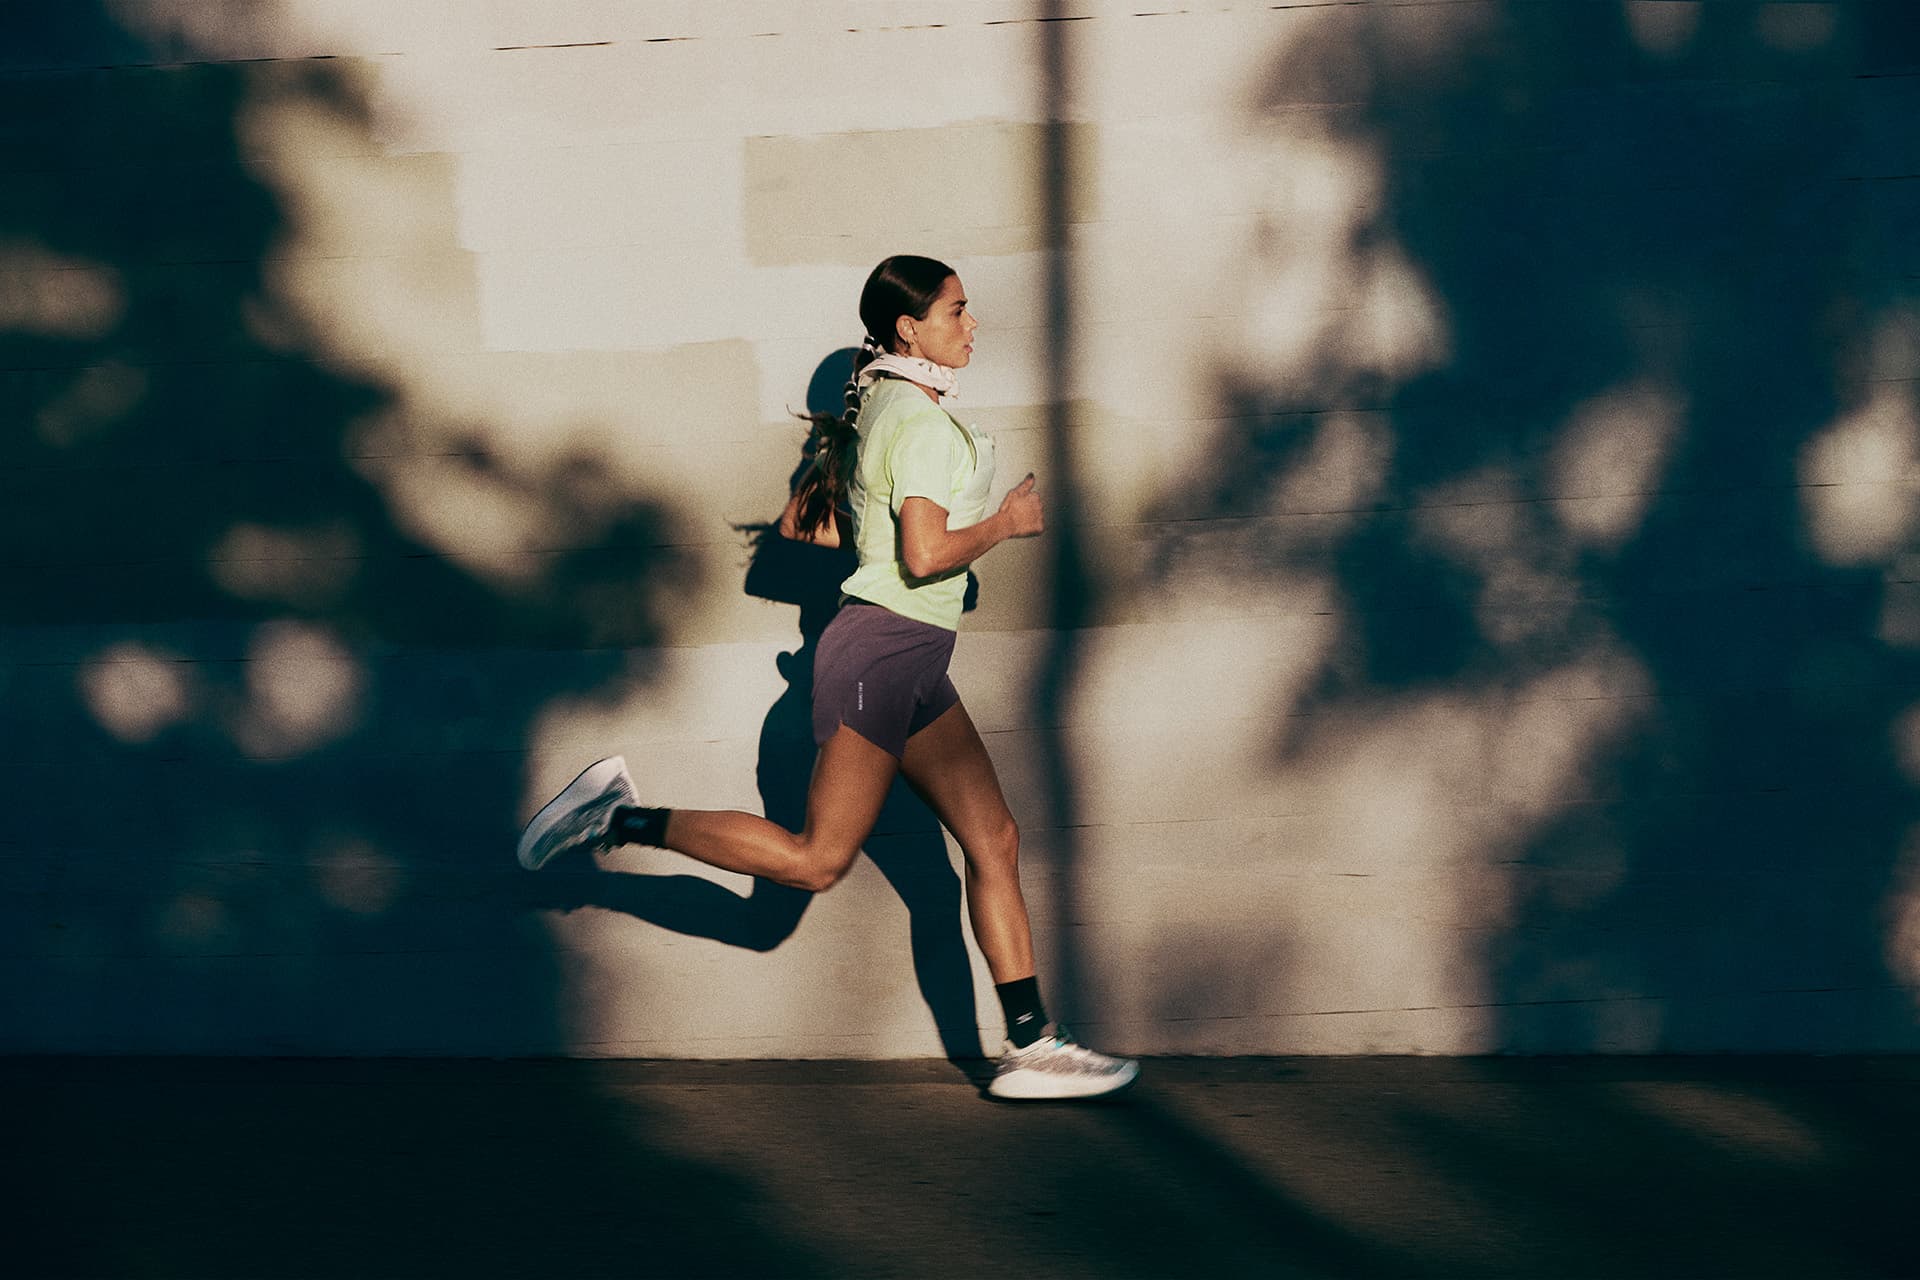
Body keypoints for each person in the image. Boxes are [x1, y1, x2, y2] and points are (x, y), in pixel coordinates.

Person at [518, 254, 1137, 1100]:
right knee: (813, 863)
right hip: (882, 658)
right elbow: (922, 556)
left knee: (993, 839)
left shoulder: (877, 407)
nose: (972, 323)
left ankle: (1031, 1043)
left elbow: (810, 534)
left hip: (907, 657)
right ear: (908, 329)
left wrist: (882, 539)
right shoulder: (913, 421)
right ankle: (616, 818)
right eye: (957, 310)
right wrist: (1001, 525)